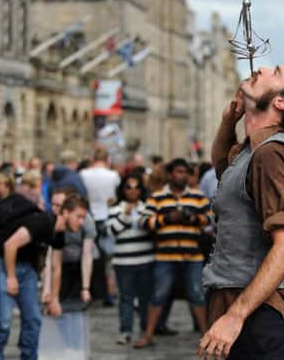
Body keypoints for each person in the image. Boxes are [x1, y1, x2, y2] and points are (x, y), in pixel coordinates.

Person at [199, 64, 284, 359]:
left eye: (276, 72)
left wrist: (235, 317)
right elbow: (223, 170)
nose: (263, 68)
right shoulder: (253, 151)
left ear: (282, 102)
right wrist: (229, 122)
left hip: (258, 322)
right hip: (239, 309)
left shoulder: (270, 153)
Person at [0, 192, 88, 360]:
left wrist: (54, 298)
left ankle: (29, 356)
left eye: (84, 218)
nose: (81, 222)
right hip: (3, 263)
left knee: (33, 319)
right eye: (79, 216)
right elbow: (10, 245)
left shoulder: (59, 234)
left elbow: (56, 267)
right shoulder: (43, 222)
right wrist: (11, 277)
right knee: (4, 320)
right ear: (66, 213)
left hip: (26, 268)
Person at [133, 157, 211, 349]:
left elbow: (210, 218)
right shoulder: (157, 197)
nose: (181, 175)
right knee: (159, 294)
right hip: (165, 256)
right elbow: (143, 221)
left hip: (192, 255)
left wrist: (193, 219)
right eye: (177, 172)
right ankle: (149, 334)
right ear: (170, 175)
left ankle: (207, 337)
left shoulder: (198, 196)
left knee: (197, 295)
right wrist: (166, 219)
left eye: (184, 172)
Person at [108, 173, 154, 345]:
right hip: (123, 262)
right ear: (123, 189)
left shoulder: (147, 207)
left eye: (136, 187)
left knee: (145, 298)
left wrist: (142, 217)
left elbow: (151, 229)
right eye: (128, 187)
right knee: (126, 298)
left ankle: (145, 330)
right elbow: (112, 230)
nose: (133, 191)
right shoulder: (115, 209)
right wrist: (126, 215)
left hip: (145, 259)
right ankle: (125, 330)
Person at [79, 147, 121, 306]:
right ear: (107, 159)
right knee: (109, 259)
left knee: (88, 255)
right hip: (107, 215)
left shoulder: (84, 174)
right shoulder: (113, 176)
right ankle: (109, 293)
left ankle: (89, 289)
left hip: (90, 215)